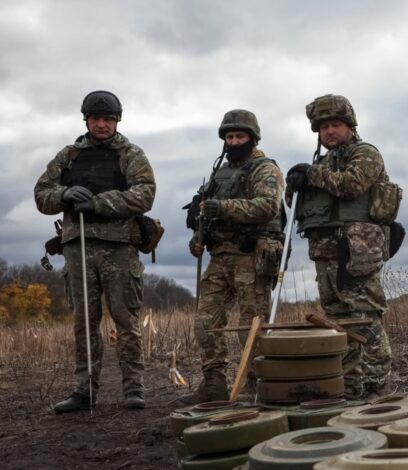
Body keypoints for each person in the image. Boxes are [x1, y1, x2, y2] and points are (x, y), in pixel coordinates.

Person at [34, 90, 156, 412]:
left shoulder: (131, 154)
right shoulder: (69, 156)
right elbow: (41, 195)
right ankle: (83, 391)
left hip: (118, 247)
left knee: (126, 319)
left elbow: (145, 194)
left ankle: (134, 388)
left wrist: (99, 202)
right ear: (86, 119)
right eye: (96, 119)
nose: (102, 124)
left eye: (108, 119)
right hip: (78, 247)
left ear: (117, 121)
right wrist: (64, 194)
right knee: (84, 322)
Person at [285, 94, 393, 400]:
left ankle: (376, 388)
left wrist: (311, 174)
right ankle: (350, 385)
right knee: (338, 323)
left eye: (335, 125)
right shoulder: (321, 165)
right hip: (324, 253)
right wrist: (293, 187)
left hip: (356, 251)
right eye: (323, 127)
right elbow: (298, 208)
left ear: (349, 126)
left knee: (365, 319)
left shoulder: (366, 154)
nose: (329, 132)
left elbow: (352, 185)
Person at [182, 109, 284, 404]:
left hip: (251, 256)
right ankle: (214, 383)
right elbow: (204, 212)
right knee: (205, 321)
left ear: (252, 138)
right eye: (229, 136)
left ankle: (256, 385)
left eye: (240, 136)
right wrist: (197, 239)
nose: (234, 141)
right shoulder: (218, 173)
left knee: (252, 327)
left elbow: (267, 207)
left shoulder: (265, 169)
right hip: (220, 256)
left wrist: (222, 207)